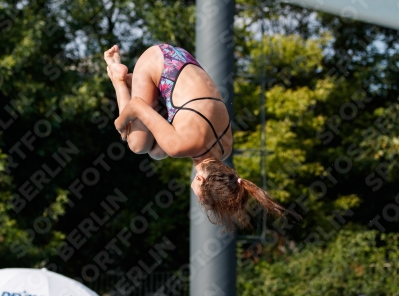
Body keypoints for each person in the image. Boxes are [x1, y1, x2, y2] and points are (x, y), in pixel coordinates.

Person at [104, 44, 288, 230]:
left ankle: (134, 83)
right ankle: (119, 79)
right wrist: (119, 125)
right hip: (159, 59)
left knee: (158, 152)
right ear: (200, 179)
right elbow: (135, 105)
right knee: (137, 144)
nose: (199, 199)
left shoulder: (225, 148)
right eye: (201, 198)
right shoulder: (179, 145)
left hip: (182, 59)